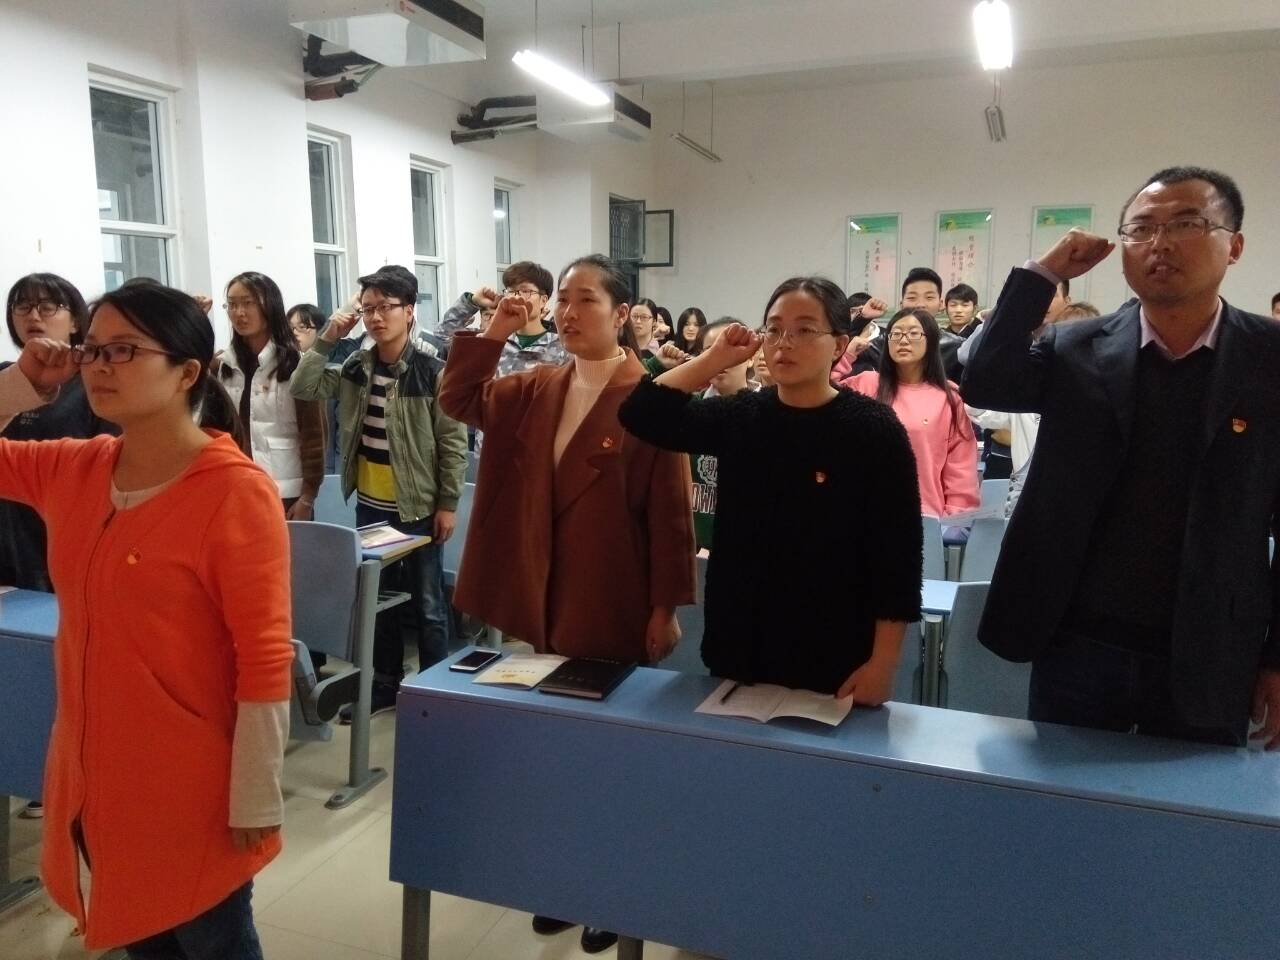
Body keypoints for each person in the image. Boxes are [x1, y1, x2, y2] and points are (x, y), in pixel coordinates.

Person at [0, 280, 291, 957]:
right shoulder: (74, 468)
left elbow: (264, 654)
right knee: (141, 936)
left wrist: (255, 793)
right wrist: (22, 385)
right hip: (93, 772)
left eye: (123, 350)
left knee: (213, 941)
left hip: (191, 782)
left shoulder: (233, 491)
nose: (98, 366)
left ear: (187, 372)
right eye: (92, 349)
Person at [962, 165, 1280, 747]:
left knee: (1193, 799)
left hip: (1211, 647)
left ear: (1234, 246)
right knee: (1061, 791)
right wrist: (1044, 274)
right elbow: (985, 379)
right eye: (1141, 229)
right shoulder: (1075, 347)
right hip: (1076, 641)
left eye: (1186, 224)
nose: (1160, 243)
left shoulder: (1269, 359)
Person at [439, 254, 695, 955]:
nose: (569, 312)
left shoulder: (648, 394)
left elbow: (670, 511)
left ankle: (612, 891)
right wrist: (495, 328)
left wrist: (664, 605)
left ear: (622, 313)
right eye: (563, 300)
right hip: (543, 588)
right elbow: (459, 399)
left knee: (611, 756)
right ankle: (563, 882)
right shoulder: (538, 386)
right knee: (554, 748)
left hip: (610, 592)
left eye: (587, 299)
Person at [620, 275, 921, 698]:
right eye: (774, 330)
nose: (784, 343)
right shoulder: (742, 415)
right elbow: (640, 414)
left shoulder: (873, 429)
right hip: (740, 644)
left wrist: (884, 664)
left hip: (837, 650)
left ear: (839, 344)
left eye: (804, 330)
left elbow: (898, 558)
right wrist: (714, 357)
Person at [291, 265, 468, 717]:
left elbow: (452, 443)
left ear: (409, 311)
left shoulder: (432, 371)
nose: (374, 317)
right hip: (371, 505)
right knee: (379, 600)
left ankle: (435, 693)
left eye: (385, 307)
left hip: (418, 506)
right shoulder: (356, 366)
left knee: (428, 604)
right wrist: (328, 337)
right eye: (367, 308)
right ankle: (387, 684)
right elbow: (304, 386)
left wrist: (448, 504)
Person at [1, 273, 118, 821]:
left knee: (68, 650)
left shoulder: (91, 381)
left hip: (67, 530)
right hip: (10, 530)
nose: (34, 316)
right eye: (23, 307)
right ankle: (26, 758)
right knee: (19, 648)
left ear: (74, 320)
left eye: (47, 306)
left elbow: (111, 461)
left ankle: (65, 768)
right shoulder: (9, 378)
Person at [839, 308, 979, 518]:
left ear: (931, 341)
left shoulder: (948, 399)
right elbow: (818, 395)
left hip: (924, 517)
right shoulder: (865, 384)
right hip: (861, 515)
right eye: (896, 333)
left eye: (913, 333)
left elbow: (961, 470)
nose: (903, 340)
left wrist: (956, 520)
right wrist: (846, 356)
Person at [217, 272, 324, 519]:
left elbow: (314, 435)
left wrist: (308, 496)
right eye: (232, 304)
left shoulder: (296, 364)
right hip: (236, 486)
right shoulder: (224, 365)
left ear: (270, 305)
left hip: (286, 491)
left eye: (248, 303)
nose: (239, 312)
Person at [687, 318, 755, 551]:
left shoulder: (767, 411)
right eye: (711, 351)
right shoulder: (689, 410)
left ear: (751, 356)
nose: (721, 358)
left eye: (731, 348)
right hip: (691, 543)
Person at [437, 260, 564, 375]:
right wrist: (473, 301)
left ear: (543, 300)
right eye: (511, 291)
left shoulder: (562, 347)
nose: (516, 297)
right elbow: (442, 334)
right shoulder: (493, 338)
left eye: (525, 291)